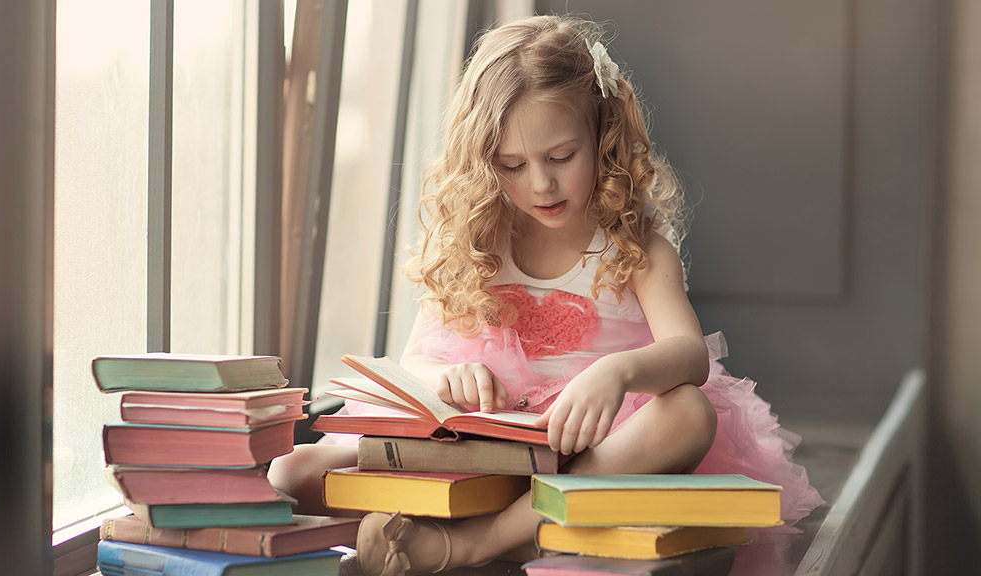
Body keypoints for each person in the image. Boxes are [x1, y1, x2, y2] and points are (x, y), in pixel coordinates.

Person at [268, 14, 824, 575]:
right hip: (484, 451)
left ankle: (478, 541)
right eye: (513, 165)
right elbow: (414, 366)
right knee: (291, 472)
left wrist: (619, 373)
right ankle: (513, 529)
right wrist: (445, 381)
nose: (541, 184)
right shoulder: (476, 242)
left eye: (561, 157)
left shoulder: (637, 246)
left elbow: (690, 355)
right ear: (486, 162)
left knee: (687, 413)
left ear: (602, 135)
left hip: (594, 452)